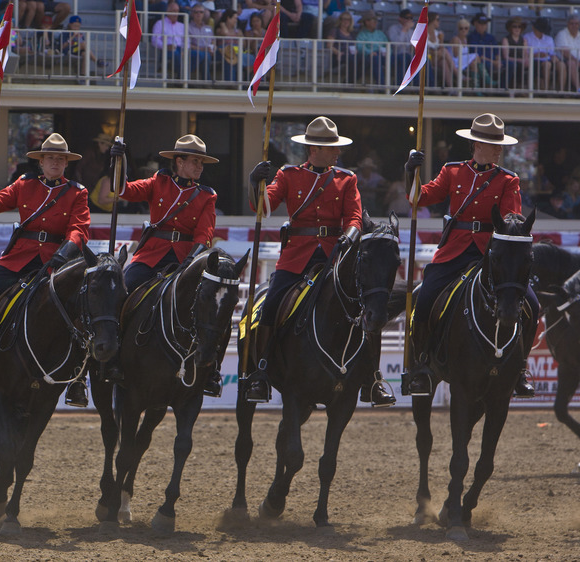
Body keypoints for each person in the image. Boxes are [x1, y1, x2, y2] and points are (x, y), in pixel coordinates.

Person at [241, 117, 392, 406]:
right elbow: (263, 206)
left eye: (336, 148)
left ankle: (373, 379)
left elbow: (355, 218)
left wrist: (349, 236)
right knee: (270, 305)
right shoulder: (288, 175)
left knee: (367, 309)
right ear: (313, 149)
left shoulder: (347, 178)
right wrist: (255, 183)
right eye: (330, 148)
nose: (337, 152)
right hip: (297, 255)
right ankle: (260, 371)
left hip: (336, 255)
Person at [402, 113, 538, 399]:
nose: (499, 149)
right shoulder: (452, 171)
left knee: (532, 305)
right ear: (477, 144)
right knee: (424, 299)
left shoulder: (507, 179)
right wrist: (410, 173)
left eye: (500, 144)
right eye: (493, 143)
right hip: (454, 250)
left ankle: (520, 369)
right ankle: (422, 365)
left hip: (491, 256)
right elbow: (418, 198)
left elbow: (512, 216)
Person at [0, 133, 91, 404]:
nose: (55, 162)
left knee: (82, 306)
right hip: (19, 258)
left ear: (66, 164)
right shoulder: (24, 184)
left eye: (60, 159)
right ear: (41, 162)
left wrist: (64, 254)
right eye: (50, 157)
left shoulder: (77, 192)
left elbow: (79, 229)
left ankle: (78, 376)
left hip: (56, 260)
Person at [106, 133, 223, 397]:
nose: (200, 167)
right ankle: (113, 358)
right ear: (179, 161)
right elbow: (123, 190)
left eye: (202, 163)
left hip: (185, 258)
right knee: (121, 294)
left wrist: (191, 262)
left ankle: (210, 369)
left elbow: (204, 235)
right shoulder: (159, 182)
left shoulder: (206, 196)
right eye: (195, 161)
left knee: (212, 307)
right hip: (152, 255)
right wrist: (118, 161)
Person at [526, 17, 566, 92]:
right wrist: (536, 55)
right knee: (547, 64)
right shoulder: (527, 37)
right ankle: (546, 90)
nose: (541, 32)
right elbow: (525, 53)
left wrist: (554, 57)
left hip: (548, 60)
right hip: (534, 61)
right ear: (533, 27)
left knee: (561, 64)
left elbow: (552, 52)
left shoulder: (549, 39)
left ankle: (561, 90)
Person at [424, 12, 457, 90]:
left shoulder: (437, 34)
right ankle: (458, 74)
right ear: (431, 20)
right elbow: (424, 49)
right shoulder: (423, 33)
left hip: (437, 58)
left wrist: (441, 40)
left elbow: (440, 48)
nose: (439, 22)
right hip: (427, 58)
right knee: (444, 51)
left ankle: (450, 88)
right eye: (437, 19)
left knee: (444, 62)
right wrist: (435, 52)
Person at [467, 13, 501, 87]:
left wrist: (498, 61)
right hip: (481, 62)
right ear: (475, 24)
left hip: (492, 61)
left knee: (510, 64)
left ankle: (504, 88)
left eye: (485, 23)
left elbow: (496, 51)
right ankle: (486, 87)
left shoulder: (491, 37)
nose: (483, 26)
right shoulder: (471, 37)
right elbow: (478, 55)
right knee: (486, 65)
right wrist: (494, 62)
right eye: (481, 23)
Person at [153, 2, 186, 78]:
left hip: (181, 50)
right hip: (166, 50)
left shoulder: (182, 26)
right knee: (176, 54)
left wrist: (185, 50)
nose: (176, 13)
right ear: (167, 11)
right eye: (173, 11)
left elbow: (187, 41)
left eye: (177, 11)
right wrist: (165, 46)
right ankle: (181, 79)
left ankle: (184, 77)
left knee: (198, 55)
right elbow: (154, 39)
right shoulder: (160, 23)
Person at [355, 11, 388, 86]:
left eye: (376, 20)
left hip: (384, 56)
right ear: (367, 22)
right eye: (373, 20)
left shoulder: (380, 33)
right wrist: (370, 52)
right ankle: (381, 86)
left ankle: (400, 86)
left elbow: (387, 45)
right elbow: (360, 47)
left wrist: (388, 52)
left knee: (403, 58)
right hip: (371, 57)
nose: (376, 22)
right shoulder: (361, 34)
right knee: (375, 58)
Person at [187, 4, 215, 80]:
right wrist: (202, 49)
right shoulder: (187, 27)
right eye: (196, 12)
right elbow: (188, 44)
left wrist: (213, 49)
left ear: (204, 14)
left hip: (209, 51)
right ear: (192, 14)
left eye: (201, 12)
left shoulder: (208, 28)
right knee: (204, 55)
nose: (198, 14)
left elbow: (213, 41)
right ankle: (207, 80)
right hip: (194, 51)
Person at [502, 16, 531, 90]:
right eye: (514, 26)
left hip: (521, 63)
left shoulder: (524, 40)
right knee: (515, 65)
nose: (517, 29)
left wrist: (527, 60)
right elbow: (506, 56)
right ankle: (512, 88)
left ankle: (526, 88)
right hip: (510, 62)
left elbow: (525, 54)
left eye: (519, 26)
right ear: (510, 28)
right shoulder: (506, 40)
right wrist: (519, 60)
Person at [329, 11, 358, 84]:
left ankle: (348, 82)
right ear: (340, 20)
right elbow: (329, 45)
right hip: (339, 55)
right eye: (344, 19)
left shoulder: (352, 33)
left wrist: (356, 51)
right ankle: (348, 84)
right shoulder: (335, 31)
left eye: (348, 19)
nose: (346, 21)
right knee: (352, 60)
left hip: (351, 55)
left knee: (363, 60)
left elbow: (354, 46)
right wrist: (337, 52)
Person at [556, 15, 580, 93]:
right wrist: (576, 61)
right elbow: (565, 52)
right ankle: (578, 89)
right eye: (572, 23)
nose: (574, 26)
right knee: (571, 63)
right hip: (565, 60)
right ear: (567, 24)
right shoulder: (562, 34)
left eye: (576, 24)